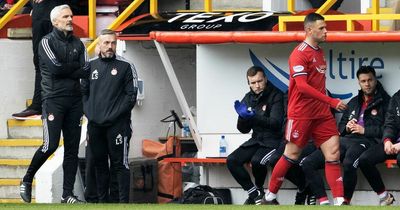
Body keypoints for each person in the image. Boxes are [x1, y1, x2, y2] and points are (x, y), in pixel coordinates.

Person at [262, 12, 347, 206]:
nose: (326, 31)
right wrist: (331, 101)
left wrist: (326, 104)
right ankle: (269, 196)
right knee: (291, 155)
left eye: (326, 27)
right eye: (322, 28)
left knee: (333, 152)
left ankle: (340, 201)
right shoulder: (299, 53)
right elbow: (301, 86)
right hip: (301, 113)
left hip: (321, 114)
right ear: (309, 30)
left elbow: (318, 85)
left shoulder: (319, 51)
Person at [19, 4, 89, 204]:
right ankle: (27, 179)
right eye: (66, 16)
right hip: (53, 101)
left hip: (75, 101)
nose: (70, 19)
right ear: (55, 21)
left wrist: (71, 69)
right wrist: (73, 69)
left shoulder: (79, 43)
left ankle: (67, 195)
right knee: (50, 145)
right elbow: (55, 69)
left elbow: (85, 70)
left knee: (72, 149)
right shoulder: (46, 42)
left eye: (71, 16)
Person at [300, 66, 390, 205]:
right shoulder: (354, 101)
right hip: (345, 140)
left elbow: (389, 129)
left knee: (349, 163)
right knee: (307, 163)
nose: (367, 84)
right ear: (359, 82)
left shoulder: (386, 102)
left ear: (375, 80)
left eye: (370, 80)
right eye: (363, 81)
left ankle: (344, 203)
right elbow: (341, 126)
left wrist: (364, 130)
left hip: (367, 141)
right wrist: (346, 128)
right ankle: (323, 201)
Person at [82, 29, 138, 203]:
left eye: (113, 43)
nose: (110, 46)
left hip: (118, 126)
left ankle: (121, 204)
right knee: (99, 165)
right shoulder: (90, 66)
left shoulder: (126, 66)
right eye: (106, 43)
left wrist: (112, 116)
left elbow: (131, 97)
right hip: (95, 126)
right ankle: (102, 203)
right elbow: (82, 93)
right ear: (99, 45)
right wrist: (90, 113)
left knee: (119, 166)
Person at [12, 0, 65, 119]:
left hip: (58, 12)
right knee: (39, 61)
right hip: (39, 14)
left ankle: (55, 104)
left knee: (58, 60)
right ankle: (37, 105)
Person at [358, 89, 400, 206]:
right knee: (365, 159)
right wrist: (387, 140)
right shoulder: (397, 97)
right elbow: (390, 123)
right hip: (393, 143)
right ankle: (385, 197)